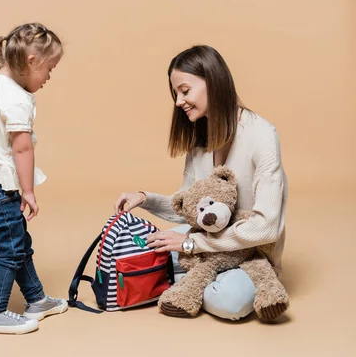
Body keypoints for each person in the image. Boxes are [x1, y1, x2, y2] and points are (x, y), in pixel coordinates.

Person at [114, 45, 287, 321]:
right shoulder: (200, 140)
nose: (178, 102)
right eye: (175, 93)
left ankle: (205, 284)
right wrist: (146, 199)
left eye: (185, 90)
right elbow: (191, 208)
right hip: (209, 237)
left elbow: (266, 227)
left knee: (228, 302)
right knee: (146, 252)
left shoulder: (262, 134)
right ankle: (197, 279)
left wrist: (192, 245)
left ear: (214, 83)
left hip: (251, 252)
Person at [0, 23, 68, 334]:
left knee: (18, 245)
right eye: (49, 68)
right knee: (11, 251)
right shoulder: (17, 99)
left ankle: (36, 299)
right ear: (31, 60)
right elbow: (21, 148)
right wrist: (28, 191)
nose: (49, 77)